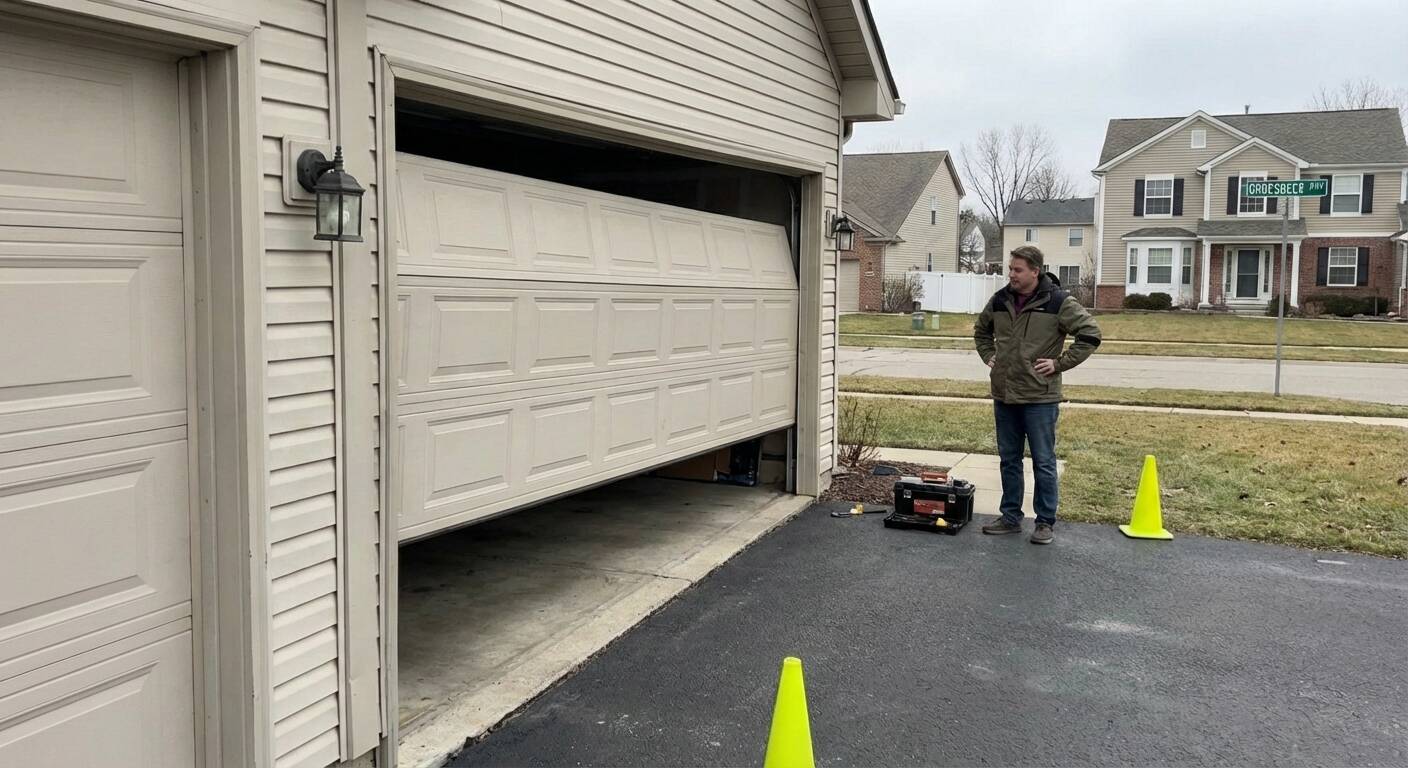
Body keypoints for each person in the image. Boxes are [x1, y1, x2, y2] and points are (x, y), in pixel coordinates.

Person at [972, 246, 1101, 544]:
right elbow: (981, 332)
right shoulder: (1000, 300)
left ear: (1035, 271)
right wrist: (989, 355)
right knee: (1009, 459)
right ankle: (1010, 517)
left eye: (1017, 270)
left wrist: (1059, 363)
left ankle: (1044, 522)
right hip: (1005, 394)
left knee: (1043, 461)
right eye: (1010, 269)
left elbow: (1091, 335)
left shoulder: (1058, 302)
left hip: (1040, 397)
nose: (1011, 274)